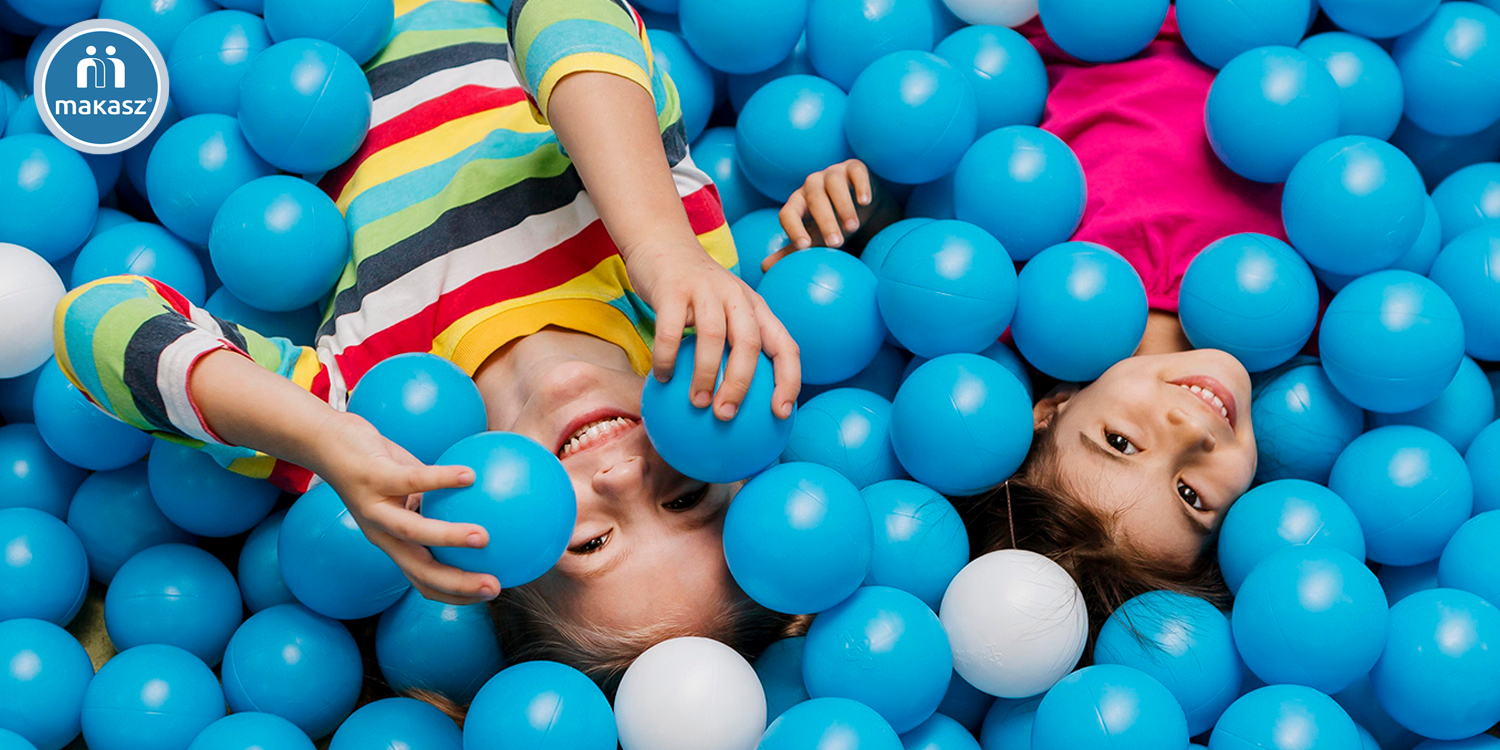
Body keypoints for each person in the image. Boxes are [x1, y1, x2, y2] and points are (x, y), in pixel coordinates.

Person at [53, 0, 798, 688]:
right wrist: (660, 243)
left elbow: (97, 323)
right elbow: (565, 9)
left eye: (592, 544)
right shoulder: (684, 290)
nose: (621, 482)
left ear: (487, 550)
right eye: (687, 496)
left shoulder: (376, 433)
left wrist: (318, 437)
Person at [777, 8, 1281, 641]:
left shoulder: (1004, 292)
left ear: (1050, 409)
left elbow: (916, 243)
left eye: (1122, 442)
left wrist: (855, 212)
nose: (1191, 432)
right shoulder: (1305, 328)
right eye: (1191, 498)